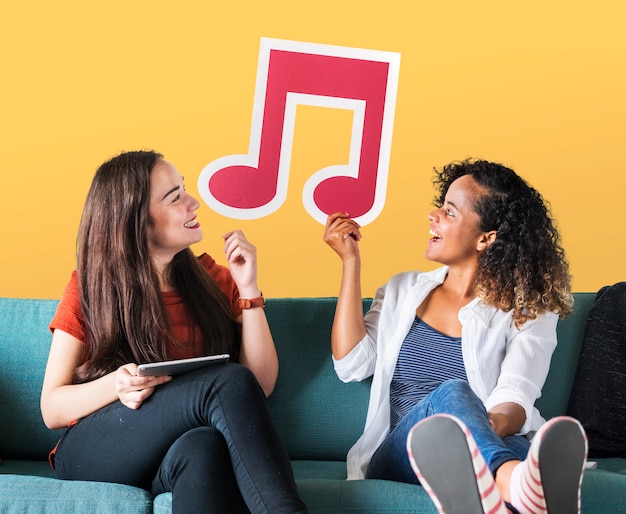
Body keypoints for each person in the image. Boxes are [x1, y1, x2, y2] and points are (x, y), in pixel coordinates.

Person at [41, 150, 309, 514]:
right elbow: (52, 409)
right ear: (137, 222)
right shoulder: (90, 289)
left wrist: (249, 289)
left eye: (184, 190)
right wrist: (116, 385)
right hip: (99, 449)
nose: (193, 202)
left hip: (173, 454)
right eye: (175, 197)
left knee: (204, 446)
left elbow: (258, 387)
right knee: (227, 381)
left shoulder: (216, 281)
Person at [323, 158, 587, 514]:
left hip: (487, 440)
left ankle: (510, 490)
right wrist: (350, 262)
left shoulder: (529, 309)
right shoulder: (402, 291)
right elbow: (351, 364)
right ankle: (511, 481)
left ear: (485, 239)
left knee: (522, 460)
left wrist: (476, 427)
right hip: (405, 451)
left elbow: (516, 395)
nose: (433, 216)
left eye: (449, 212)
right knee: (453, 394)